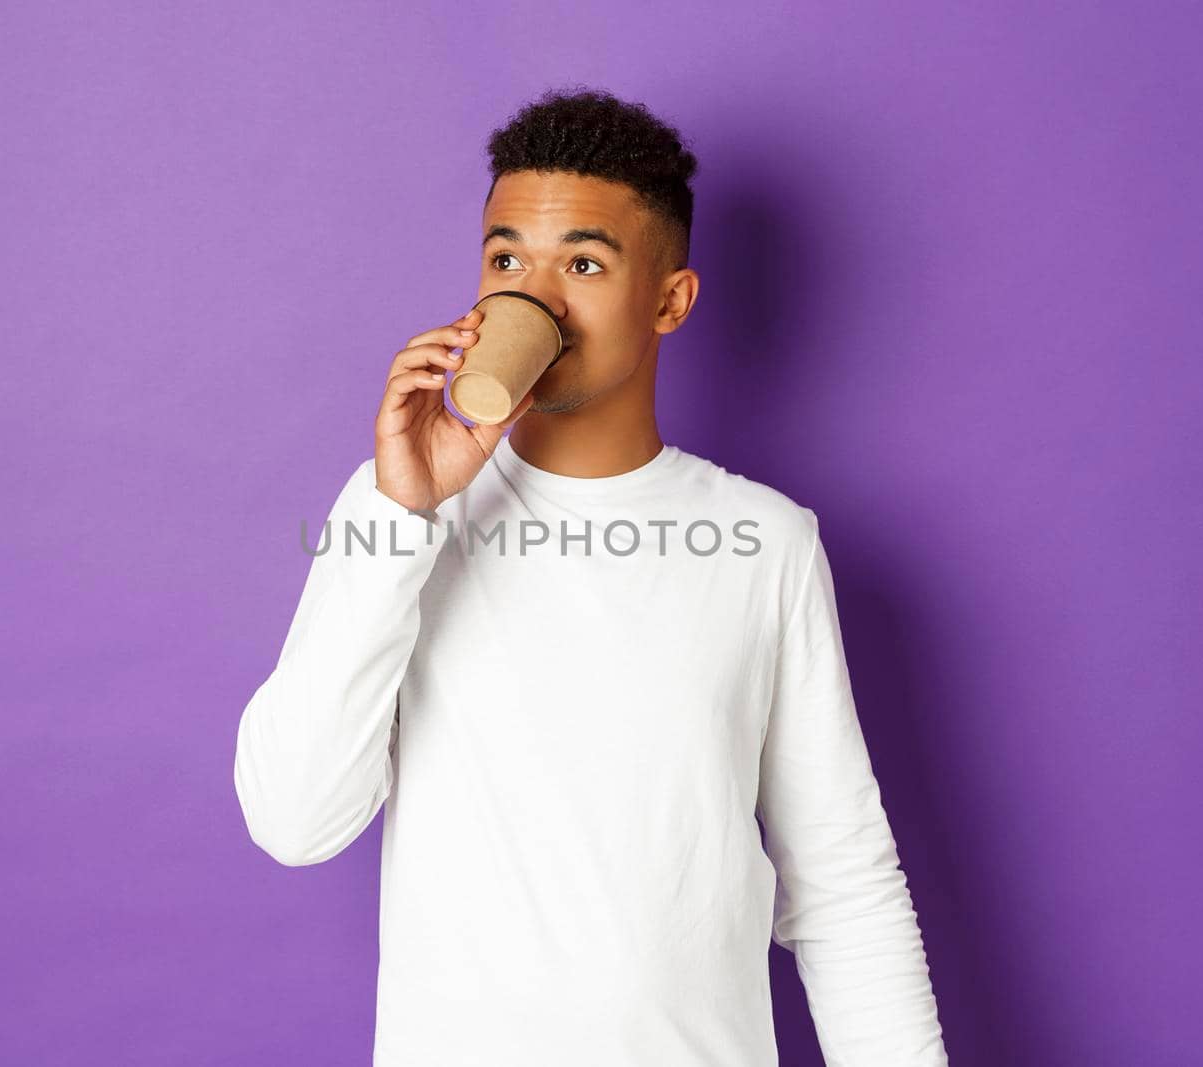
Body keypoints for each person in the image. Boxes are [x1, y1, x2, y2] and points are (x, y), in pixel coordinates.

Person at [233, 86, 950, 1066]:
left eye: (582, 261)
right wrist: (404, 512)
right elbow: (294, 819)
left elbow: (840, 884)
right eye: (505, 259)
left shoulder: (763, 541)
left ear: (669, 299)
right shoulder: (395, 512)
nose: (536, 295)